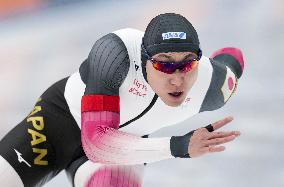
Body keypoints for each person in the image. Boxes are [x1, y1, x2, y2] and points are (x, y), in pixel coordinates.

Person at [0, 13, 244, 187]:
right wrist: (179, 146)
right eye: (164, 64)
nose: (177, 80)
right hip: (56, 126)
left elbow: (233, 57)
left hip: (123, 147)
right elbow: (96, 142)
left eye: (187, 64)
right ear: (144, 60)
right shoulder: (116, 53)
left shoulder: (212, 86)